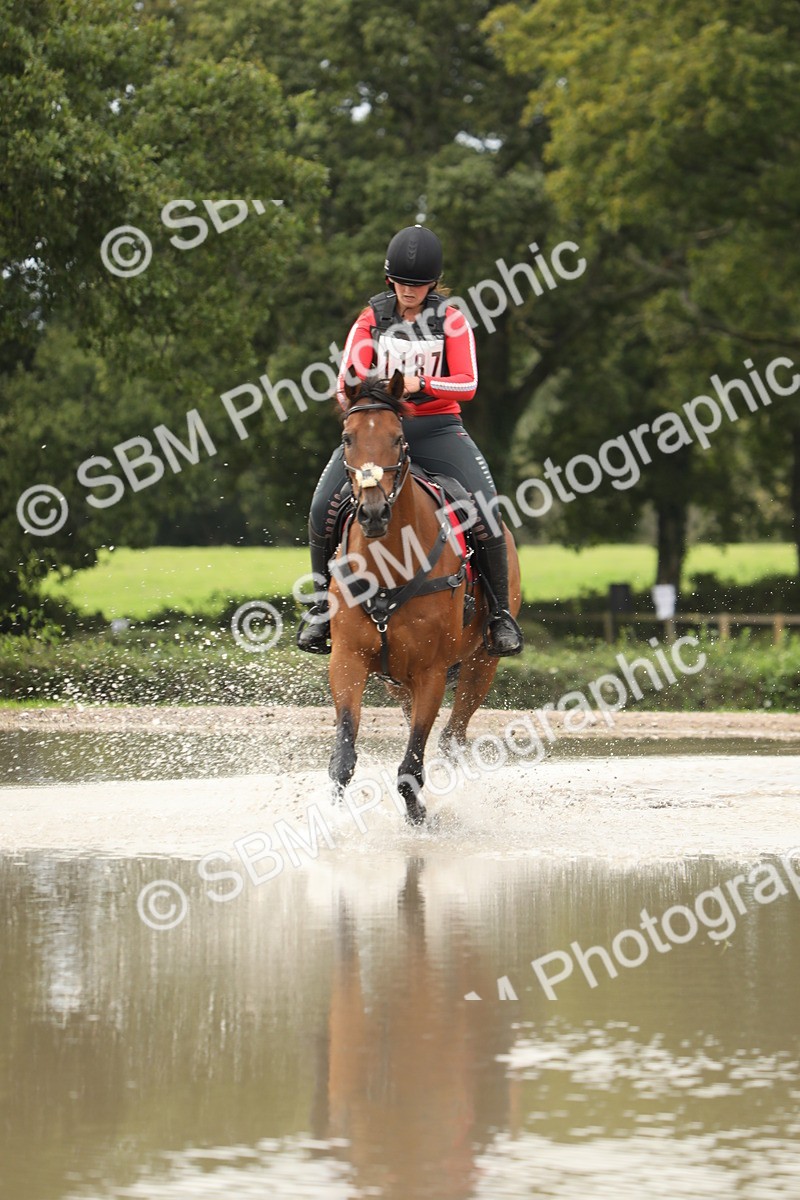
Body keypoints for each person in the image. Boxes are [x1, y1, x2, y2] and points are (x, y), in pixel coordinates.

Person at [296, 224, 524, 657]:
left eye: (418, 285)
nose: (409, 291)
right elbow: (348, 380)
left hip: (438, 429)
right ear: (389, 280)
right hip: (379, 434)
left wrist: (423, 382)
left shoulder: (451, 320)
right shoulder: (371, 319)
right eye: (402, 283)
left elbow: (468, 383)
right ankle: (321, 608)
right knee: (322, 505)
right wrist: (368, 391)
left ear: (433, 284)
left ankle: (498, 616)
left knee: (486, 507)